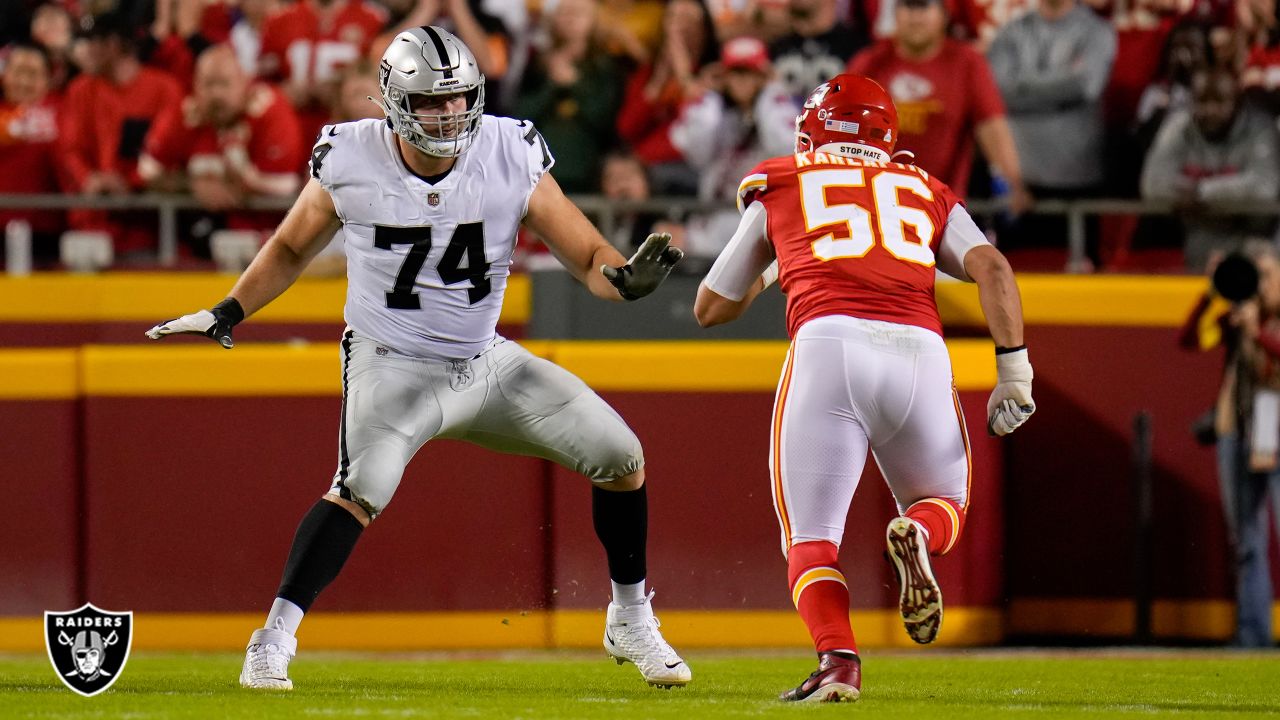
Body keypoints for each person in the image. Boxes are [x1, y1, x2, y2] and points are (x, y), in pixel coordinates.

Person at [145, 26, 690, 691]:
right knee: (360, 488)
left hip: (484, 360)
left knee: (621, 454)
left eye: (459, 99)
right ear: (394, 102)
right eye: (433, 102)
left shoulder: (508, 149)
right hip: (391, 361)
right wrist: (230, 310)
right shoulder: (351, 155)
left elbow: (585, 254)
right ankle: (273, 637)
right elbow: (290, 248)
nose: (449, 114)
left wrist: (623, 278)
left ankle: (630, 617)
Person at [693, 74, 1034, 701]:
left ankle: (839, 663)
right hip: (921, 351)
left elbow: (710, 306)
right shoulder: (923, 187)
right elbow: (991, 266)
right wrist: (1014, 368)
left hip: (829, 346)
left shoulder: (782, 180)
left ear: (815, 127)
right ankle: (920, 539)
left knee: (811, 538)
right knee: (945, 505)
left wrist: (776, 264)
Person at [1179, 243, 1280, 648]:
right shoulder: (1236, 319)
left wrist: (1259, 333)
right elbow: (1188, 339)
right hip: (1236, 430)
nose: (1260, 284)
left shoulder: (1267, 321)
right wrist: (1210, 293)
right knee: (1246, 542)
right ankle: (1252, 636)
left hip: (1276, 427)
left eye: (1268, 275)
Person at [848, 0, 1029, 207]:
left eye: (924, 6)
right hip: (874, 203)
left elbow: (992, 127)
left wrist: (1013, 183)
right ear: (895, 14)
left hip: (943, 206)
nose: (915, 17)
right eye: (907, 6)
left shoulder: (966, 63)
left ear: (945, 14)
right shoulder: (869, 63)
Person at [1141, 67, 1280, 271]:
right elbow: (1152, 184)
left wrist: (1202, 192)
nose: (1210, 110)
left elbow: (1265, 187)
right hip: (1199, 239)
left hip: (1255, 240)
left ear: (1238, 102)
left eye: (1219, 102)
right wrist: (1229, 195)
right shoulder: (1179, 126)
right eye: (1202, 101)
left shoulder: (1260, 128)